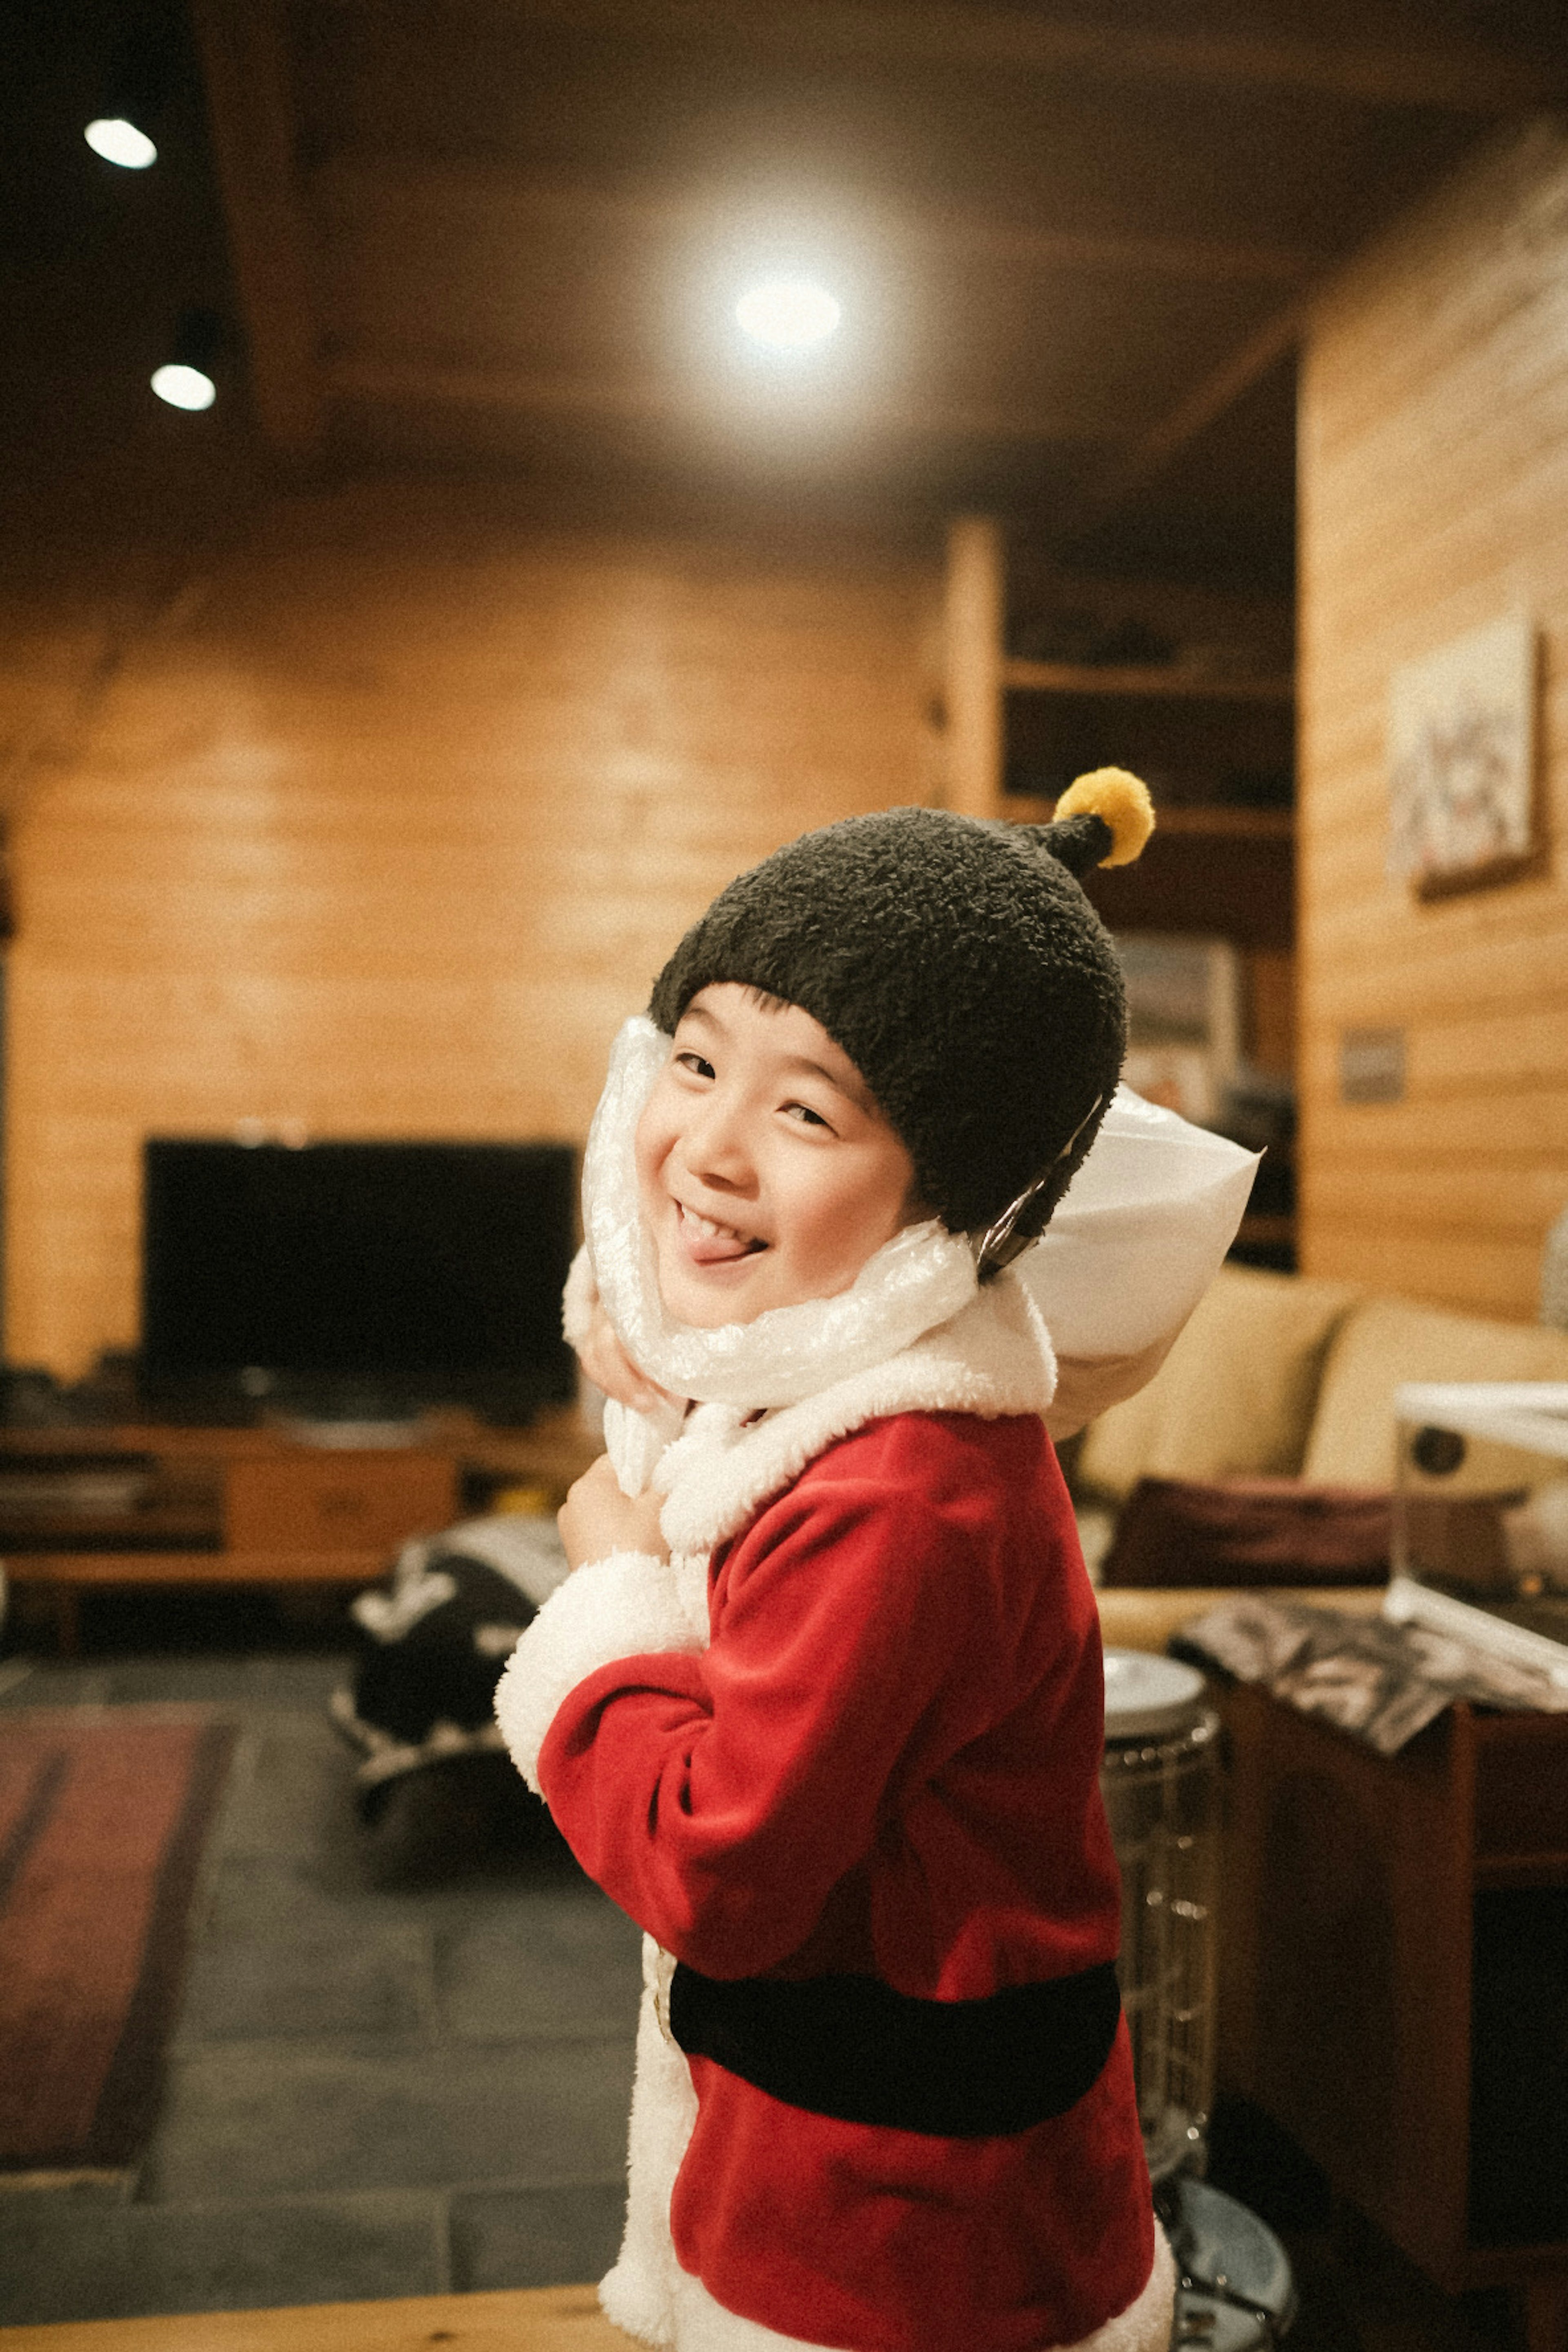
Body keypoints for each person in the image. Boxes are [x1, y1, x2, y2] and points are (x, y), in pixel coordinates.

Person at [496, 771, 1191, 2352]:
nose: (712, 1148)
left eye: (808, 1108)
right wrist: (664, 1371)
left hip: (910, 2233)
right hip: (865, 2135)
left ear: (952, 1202)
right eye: (695, 1060)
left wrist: (604, 1584)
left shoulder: (906, 1495)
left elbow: (723, 1874)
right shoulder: (846, 1391)